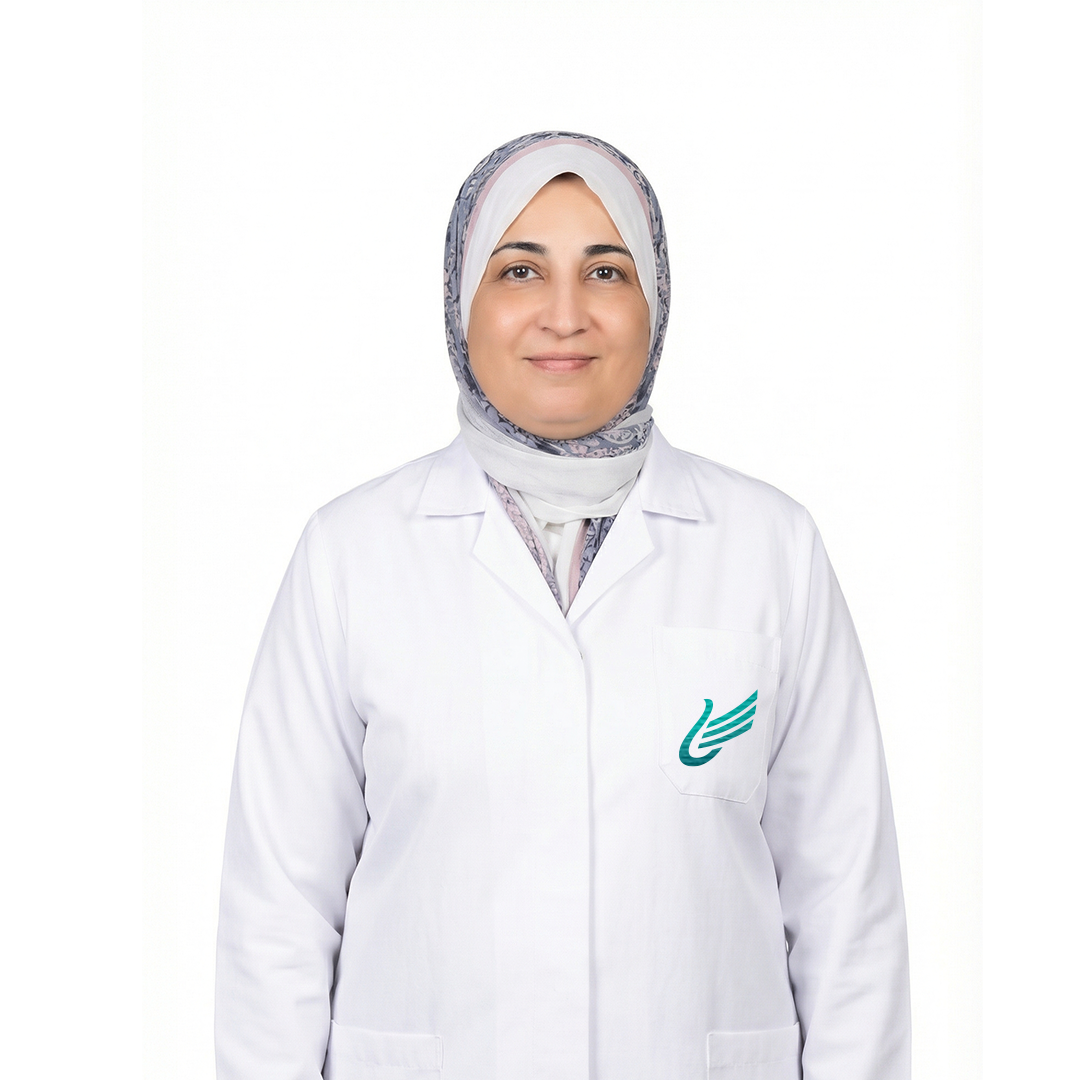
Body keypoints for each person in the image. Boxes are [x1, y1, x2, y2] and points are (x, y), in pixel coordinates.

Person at [215, 131, 910, 1080]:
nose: (565, 314)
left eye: (607, 272)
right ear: (461, 301)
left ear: (655, 301)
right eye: (520, 270)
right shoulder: (351, 553)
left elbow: (847, 908)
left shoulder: (769, 548)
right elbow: (278, 914)